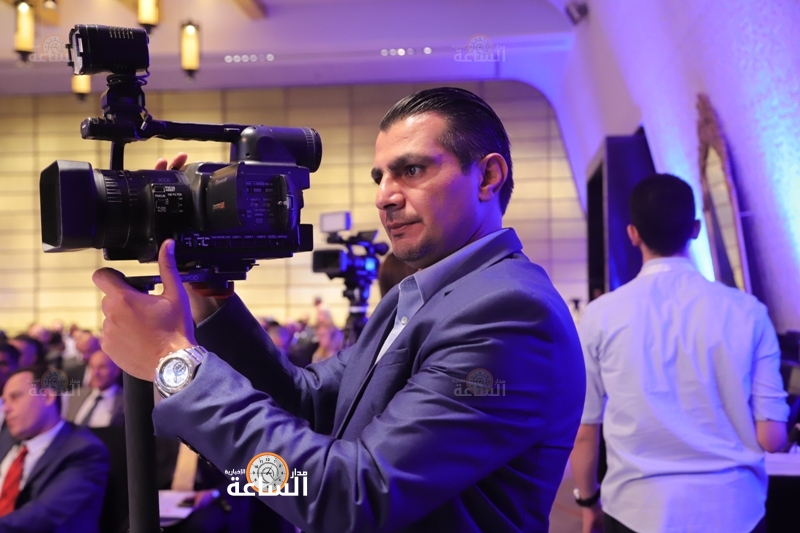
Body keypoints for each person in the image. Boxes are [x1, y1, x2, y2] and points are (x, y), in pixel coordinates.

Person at [92, 87, 585, 532]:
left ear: (488, 177)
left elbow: (352, 500)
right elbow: (306, 403)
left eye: (412, 170)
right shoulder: (420, 296)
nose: (384, 197)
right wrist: (207, 289)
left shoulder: (508, 314)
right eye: (380, 176)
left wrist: (175, 364)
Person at [569, 174, 788, 533]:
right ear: (695, 229)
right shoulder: (749, 312)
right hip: (735, 511)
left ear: (633, 234)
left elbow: (584, 431)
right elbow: (772, 437)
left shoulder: (600, 315)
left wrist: (588, 503)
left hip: (636, 511)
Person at [0, 366, 110, 532]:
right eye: (4, 401)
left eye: (15, 397)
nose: (6, 408)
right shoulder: (8, 441)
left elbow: (42, 515)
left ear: (47, 396)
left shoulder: (85, 451)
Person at [65, 350, 125, 428]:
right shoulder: (75, 395)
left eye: (102, 367)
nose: (95, 373)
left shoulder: (126, 401)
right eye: (92, 367)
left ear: (117, 370)